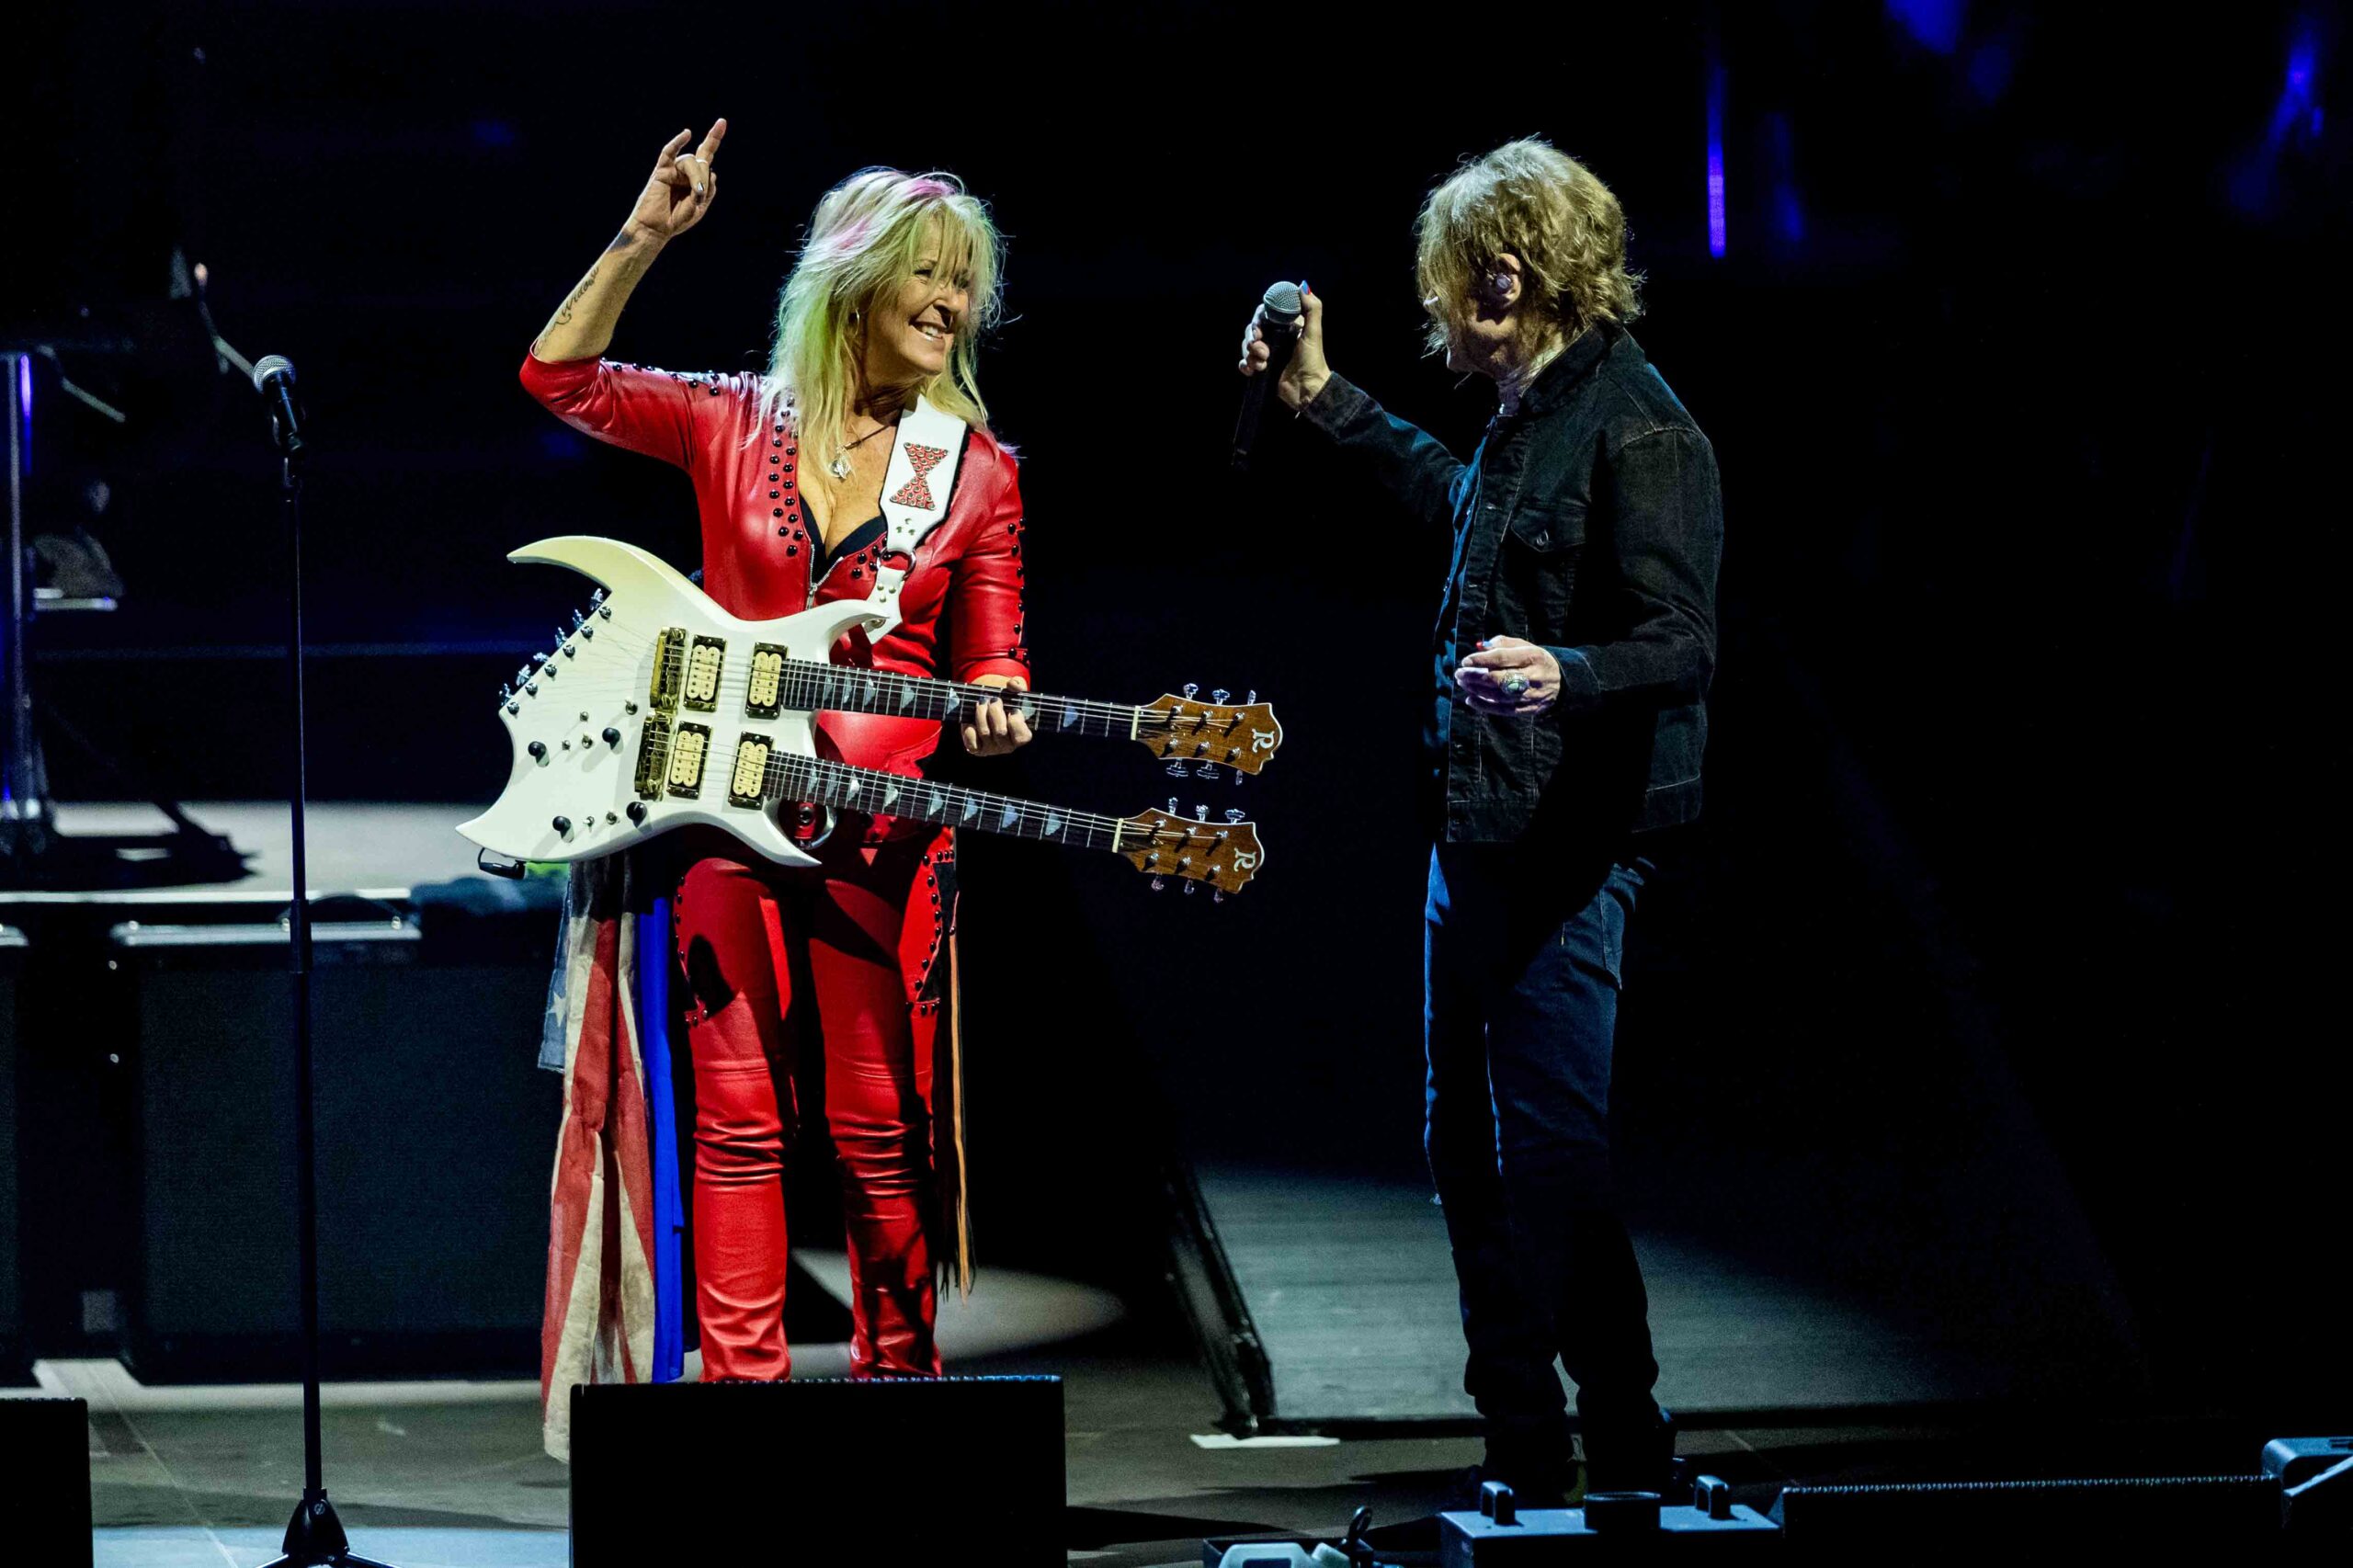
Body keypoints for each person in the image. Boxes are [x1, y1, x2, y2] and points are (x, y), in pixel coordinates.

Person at [1238, 139, 1722, 1500]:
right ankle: (1522, 1441)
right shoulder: (1526, 416)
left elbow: (1684, 640)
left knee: (1550, 1156)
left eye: (1450, 285)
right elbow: (1455, 498)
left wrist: (1566, 671)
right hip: (1477, 832)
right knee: (1463, 1146)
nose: (1437, 313)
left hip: (1573, 844)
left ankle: (1624, 1439)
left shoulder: (1641, 426)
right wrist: (1321, 398)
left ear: (1506, 279)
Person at [523, 122, 1034, 1382]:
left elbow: (996, 652)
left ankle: (899, 1388)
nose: (951, 302)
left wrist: (998, 701)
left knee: (878, 1130)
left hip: (883, 833)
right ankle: (739, 1401)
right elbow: (559, 379)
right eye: (927, 274)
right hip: (727, 816)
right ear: (855, 282)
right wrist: (643, 235)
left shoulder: (974, 473)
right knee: (738, 1125)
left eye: (965, 282)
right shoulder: (733, 420)